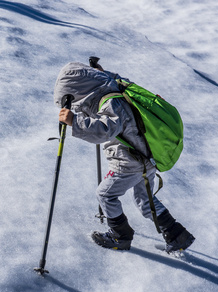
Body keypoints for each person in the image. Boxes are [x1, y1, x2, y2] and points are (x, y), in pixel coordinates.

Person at [54, 61, 194, 252]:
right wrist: (101, 72)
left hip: (129, 162)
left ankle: (120, 236)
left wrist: (75, 121)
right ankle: (177, 235)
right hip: (146, 156)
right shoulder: (115, 85)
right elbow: (116, 78)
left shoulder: (111, 102)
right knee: (145, 200)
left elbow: (104, 131)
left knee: (105, 194)